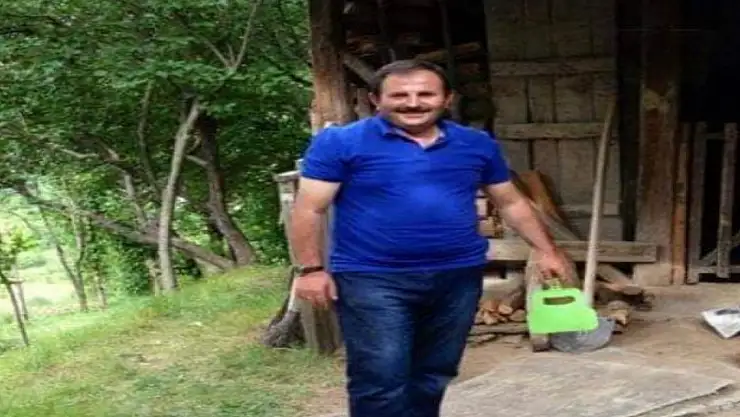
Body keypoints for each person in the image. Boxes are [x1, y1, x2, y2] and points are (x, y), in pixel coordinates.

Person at [288, 59, 569, 417]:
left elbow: (511, 201)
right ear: (376, 99)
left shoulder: (475, 144)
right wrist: (311, 270)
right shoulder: (342, 143)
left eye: (425, 94)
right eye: (399, 95)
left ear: (447, 99)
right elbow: (309, 208)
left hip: (457, 276)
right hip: (372, 278)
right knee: (381, 376)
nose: (413, 103)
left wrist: (547, 250)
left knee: (435, 372)